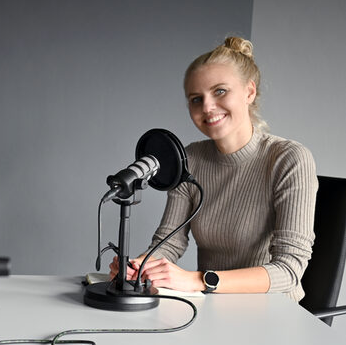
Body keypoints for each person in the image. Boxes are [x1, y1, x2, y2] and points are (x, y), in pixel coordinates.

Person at [110, 36, 317, 301]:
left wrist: (197, 280)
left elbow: (288, 271)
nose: (207, 107)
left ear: (249, 92)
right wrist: (138, 268)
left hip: (274, 314)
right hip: (213, 308)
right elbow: (170, 242)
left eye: (220, 91)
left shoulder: (289, 159)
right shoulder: (190, 158)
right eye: (196, 99)